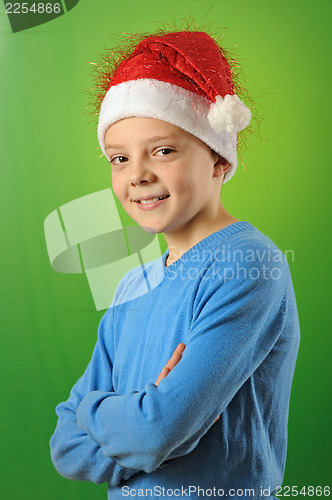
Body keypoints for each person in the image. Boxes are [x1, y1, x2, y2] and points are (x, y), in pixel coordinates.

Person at [50, 29, 300, 499]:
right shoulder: (131, 285)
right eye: (119, 158)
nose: (138, 174)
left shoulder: (247, 266)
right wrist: (139, 414)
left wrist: (94, 411)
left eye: (163, 150)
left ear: (218, 159)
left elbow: (157, 432)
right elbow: (65, 447)